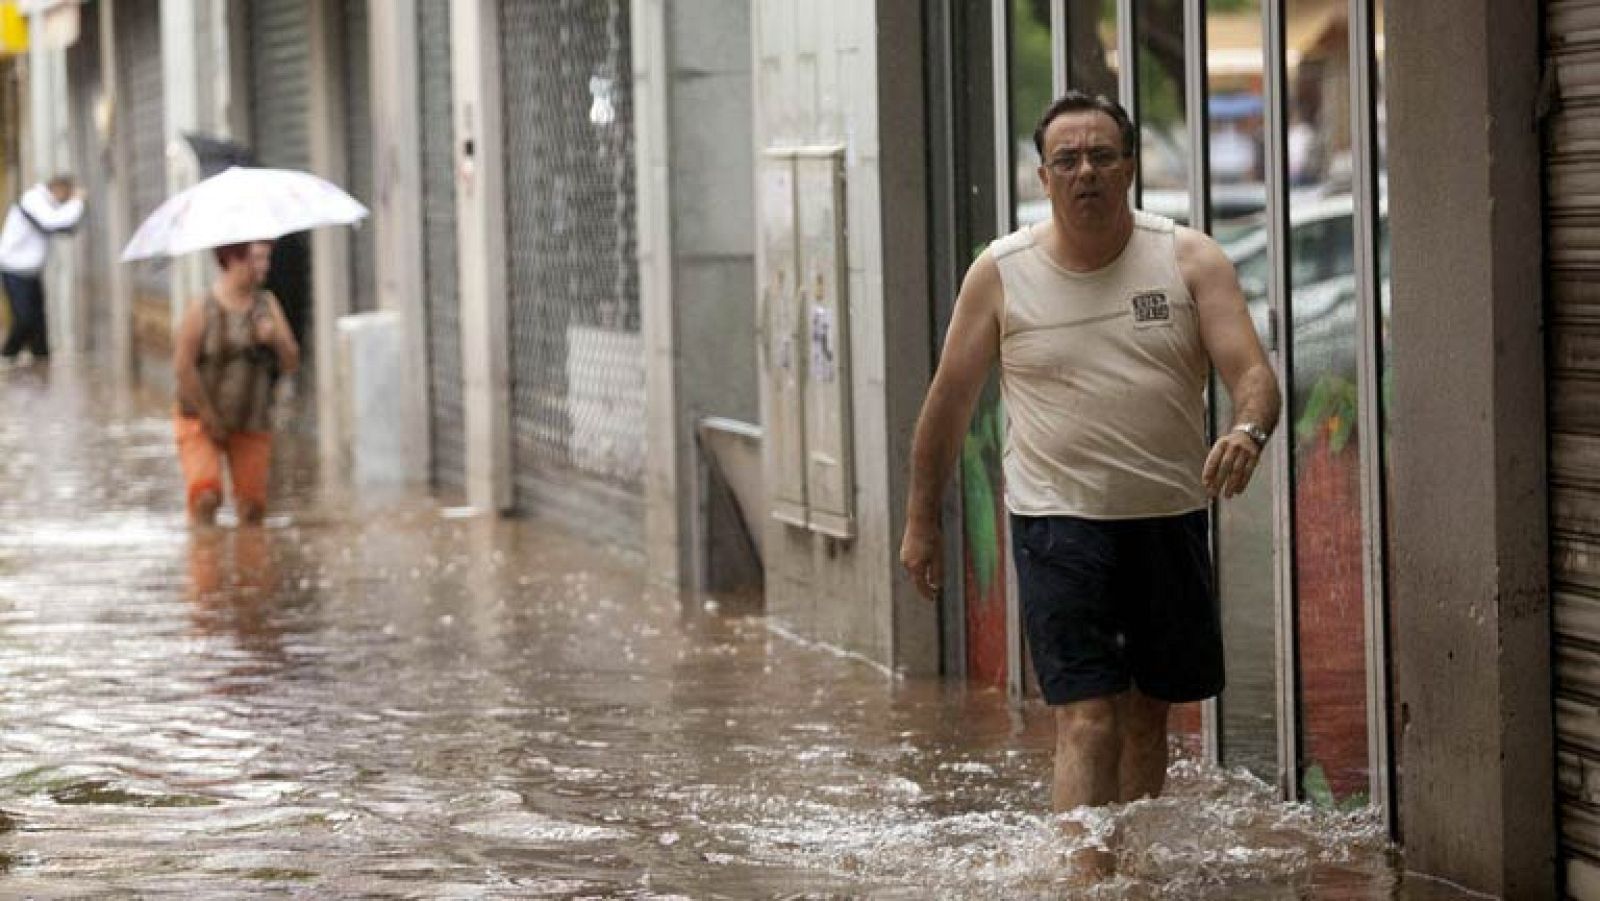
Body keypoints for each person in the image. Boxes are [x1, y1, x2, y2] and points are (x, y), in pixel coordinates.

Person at [899, 93, 1281, 819]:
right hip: (1056, 523)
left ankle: (1127, 866)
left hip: (1167, 516)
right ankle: (1085, 878)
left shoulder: (1189, 258)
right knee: (1087, 716)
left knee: (1147, 716)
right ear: (1043, 178)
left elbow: (1254, 374)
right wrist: (922, 519)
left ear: (1129, 168)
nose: (1086, 172)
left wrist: (1249, 431)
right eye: (1067, 160)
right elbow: (948, 403)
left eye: (1102, 156)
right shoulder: (1001, 272)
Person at [172, 241, 300, 526]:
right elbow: (183, 366)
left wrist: (275, 340)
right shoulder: (202, 308)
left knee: (253, 508)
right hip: (200, 420)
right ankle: (205, 562)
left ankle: (249, 565)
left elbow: (291, 362)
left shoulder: (267, 305)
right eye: (256, 260)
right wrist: (208, 416)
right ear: (232, 259)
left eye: (267, 260)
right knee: (206, 496)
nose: (264, 267)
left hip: (251, 418)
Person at [0, 175, 86, 362]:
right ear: (59, 189)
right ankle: (7, 355)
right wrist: (77, 203)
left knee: (38, 320)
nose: (65, 201)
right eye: (66, 196)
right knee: (25, 318)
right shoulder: (33, 200)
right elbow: (53, 222)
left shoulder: (44, 203)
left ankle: (41, 359)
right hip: (14, 270)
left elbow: (66, 226)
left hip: (30, 272)